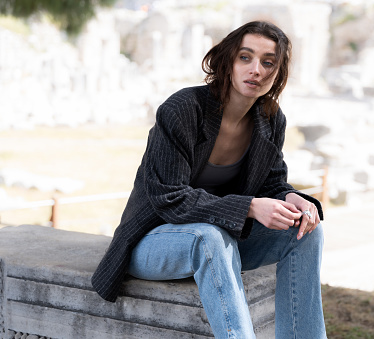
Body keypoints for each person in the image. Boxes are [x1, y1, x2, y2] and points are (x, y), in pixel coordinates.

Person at [91, 21, 327, 338]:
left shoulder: (270, 119)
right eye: (246, 57)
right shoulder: (183, 109)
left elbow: (271, 183)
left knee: (306, 233)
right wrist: (250, 208)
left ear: (278, 72)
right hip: (152, 242)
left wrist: (292, 198)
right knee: (208, 236)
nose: (256, 70)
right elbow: (169, 198)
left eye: (268, 62)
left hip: (223, 240)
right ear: (228, 61)